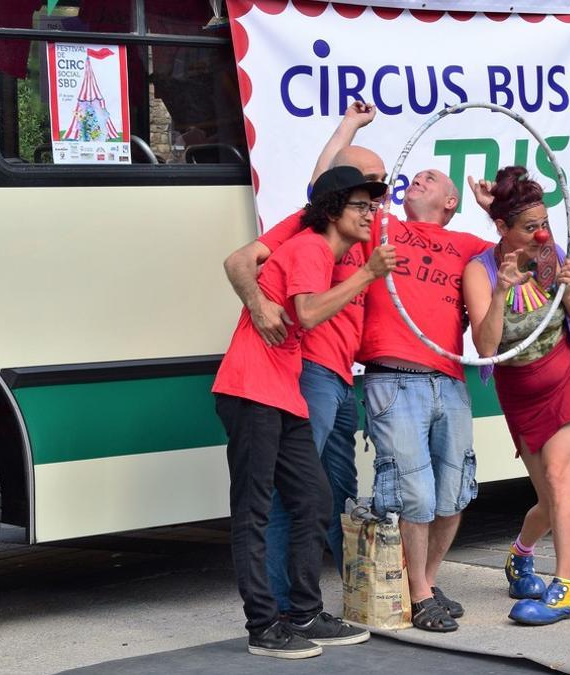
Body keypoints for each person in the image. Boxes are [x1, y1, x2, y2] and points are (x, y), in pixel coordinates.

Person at [213, 166, 395, 659]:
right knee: (253, 511)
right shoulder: (312, 247)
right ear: (333, 210)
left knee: (313, 500)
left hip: (283, 392)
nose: (369, 213)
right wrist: (368, 274)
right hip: (250, 389)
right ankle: (263, 627)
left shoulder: (325, 249)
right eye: (360, 205)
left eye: (372, 204)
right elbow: (308, 313)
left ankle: (305, 612)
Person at [462, 166, 570, 626]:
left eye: (544, 222)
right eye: (530, 226)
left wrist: (566, 287)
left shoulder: (547, 254)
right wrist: (503, 291)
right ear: (503, 228)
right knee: (548, 497)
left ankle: (564, 590)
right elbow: (486, 348)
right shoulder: (480, 271)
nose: (543, 232)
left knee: (561, 480)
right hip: (521, 394)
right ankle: (522, 553)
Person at [358, 165, 494, 632]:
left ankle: (426, 583)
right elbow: (323, 191)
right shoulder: (383, 227)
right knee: (412, 491)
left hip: (449, 381)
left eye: (430, 178)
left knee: (454, 490)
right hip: (393, 379)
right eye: (414, 176)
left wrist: (497, 214)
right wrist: (350, 126)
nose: (417, 180)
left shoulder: (469, 248)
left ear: (450, 201)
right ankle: (417, 594)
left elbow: (531, 253)